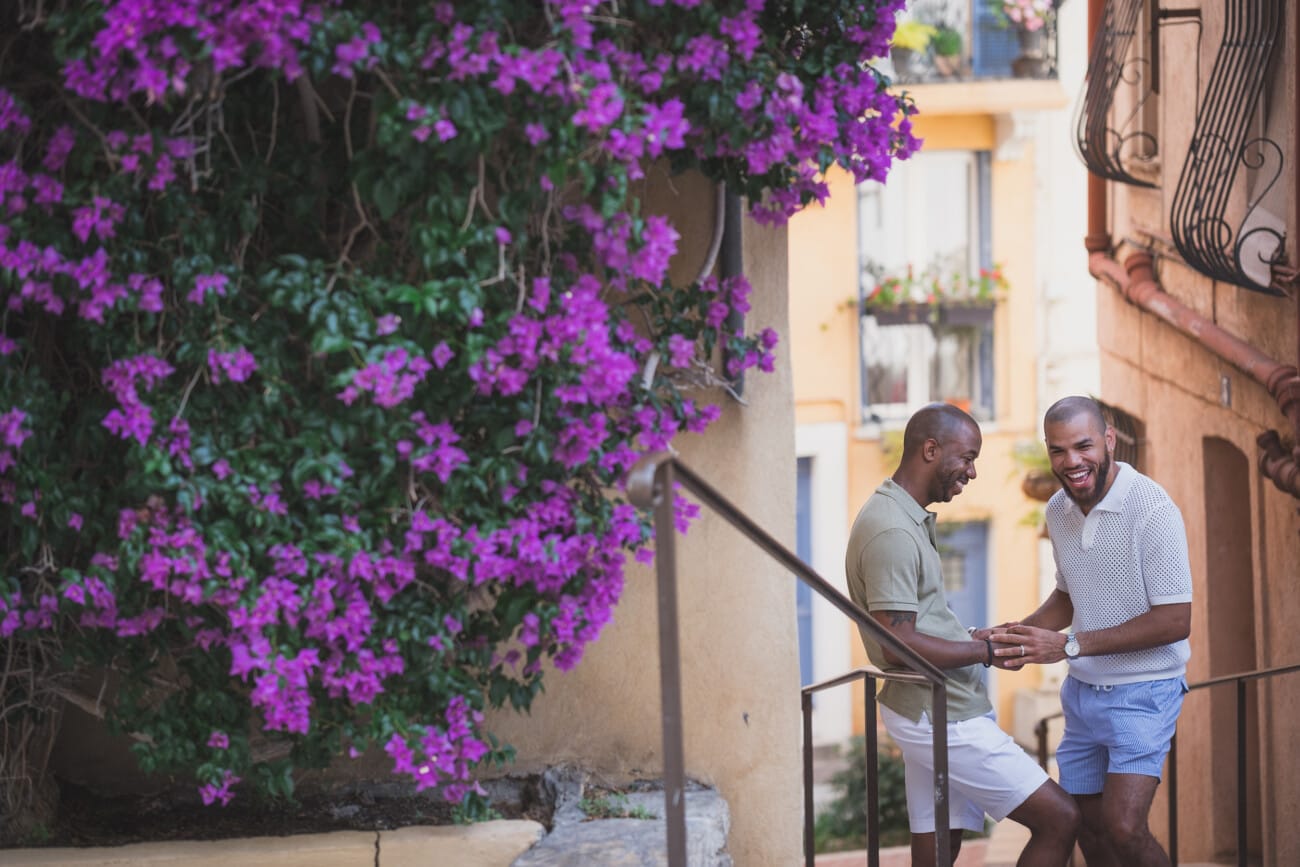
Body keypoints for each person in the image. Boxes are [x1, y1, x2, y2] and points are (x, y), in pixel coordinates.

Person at [845, 402, 1079, 867]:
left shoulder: (903, 515)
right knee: (1060, 818)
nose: (972, 472)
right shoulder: (892, 529)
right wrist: (985, 651)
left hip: (935, 706)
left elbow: (918, 622)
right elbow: (899, 642)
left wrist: (973, 635)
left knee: (939, 844)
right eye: (967, 458)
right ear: (930, 449)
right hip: (940, 715)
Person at [992, 395, 1192, 867]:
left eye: (1083, 446)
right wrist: (1015, 635)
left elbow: (1174, 619)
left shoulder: (1152, 508)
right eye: (1058, 450)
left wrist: (1069, 645)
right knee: (1088, 829)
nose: (1071, 461)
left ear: (1109, 440)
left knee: (1124, 827)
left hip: (1144, 692)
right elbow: (1069, 596)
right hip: (1082, 695)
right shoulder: (1057, 510)